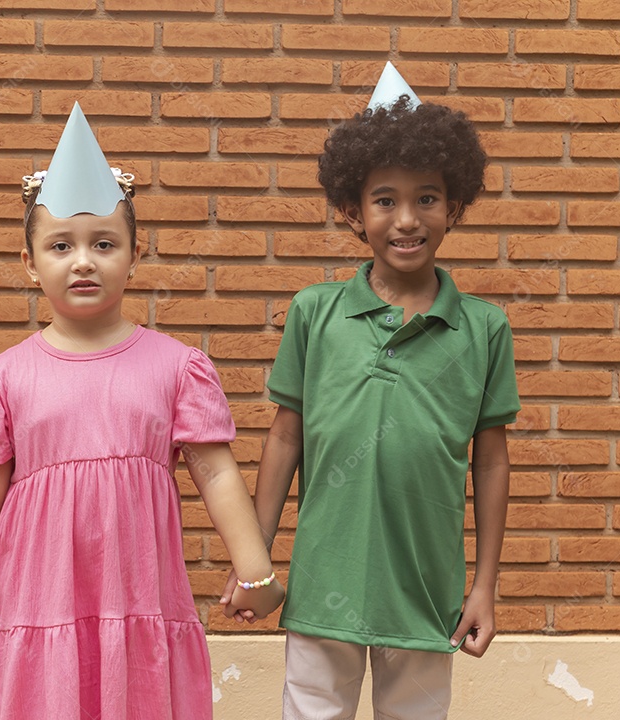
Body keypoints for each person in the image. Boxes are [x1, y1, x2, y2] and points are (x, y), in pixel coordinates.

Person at [0, 103, 284, 720]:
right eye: (61, 245)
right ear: (30, 264)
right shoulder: (3, 378)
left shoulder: (177, 367)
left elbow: (217, 471)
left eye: (104, 243)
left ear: (135, 256)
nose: (83, 260)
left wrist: (254, 568)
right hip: (37, 600)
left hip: (140, 591)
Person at [222, 63, 521, 719]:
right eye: (385, 200)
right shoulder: (315, 313)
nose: (406, 219)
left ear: (456, 206)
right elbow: (284, 437)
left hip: (426, 593)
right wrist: (255, 561)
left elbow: (492, 459)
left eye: (428, 197)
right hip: (325, 584)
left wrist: (485, 587)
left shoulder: (484, 328)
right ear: (353, 212)